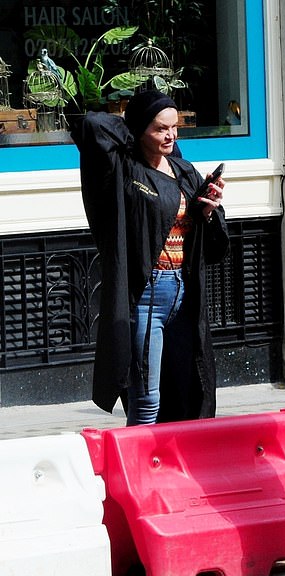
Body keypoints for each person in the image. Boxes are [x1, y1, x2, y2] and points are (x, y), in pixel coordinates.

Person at [70, 90, 230, 426]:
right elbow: (91, 126)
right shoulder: (124, 170)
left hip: (184, 295)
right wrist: (131, 124)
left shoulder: (184, 171)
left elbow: (211, 242)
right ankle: (136, 472)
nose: (171, 135)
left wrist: (209, 210)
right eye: (160, 128)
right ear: (140, 129)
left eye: (175, 127)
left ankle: (172, 468)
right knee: (146, 399)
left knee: (189, 390)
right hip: (146, 296)